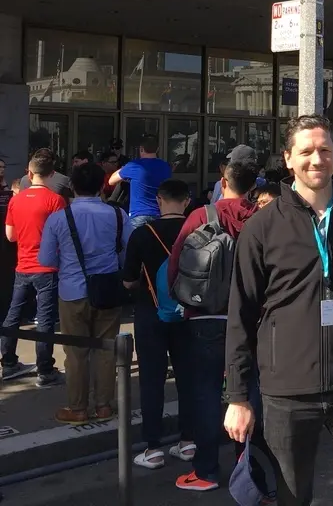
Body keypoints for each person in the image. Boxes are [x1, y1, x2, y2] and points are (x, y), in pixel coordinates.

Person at [223, 115, 333, 506]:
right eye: (306, 151)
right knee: (292, 499)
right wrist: (237, 395)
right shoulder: (262, 227)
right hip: (286, 392)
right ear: (288, 159)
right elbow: (241, 313)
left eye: (324, 150)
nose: (316, 159)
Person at [168, 153, 258, 492]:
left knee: (205, 394)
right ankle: (246, 466)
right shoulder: (262, 218)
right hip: (250, 319)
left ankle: (205, 471)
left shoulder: (201, 215)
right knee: (249, 394)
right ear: (253, 188)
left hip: (204, 316)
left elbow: (177, 264)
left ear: (224, 182)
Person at [38, 163, 128, 423]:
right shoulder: (118, 215)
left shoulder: (59, 217)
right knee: (106, 349)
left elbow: (46, 259)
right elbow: (127, 252)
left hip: (72, 291)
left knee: (75, 353)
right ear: (103, 186)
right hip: (109, 289)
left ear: (72, 187)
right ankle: (103, 405)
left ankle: (78, 407)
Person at [121, 179, 194, 468]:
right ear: (187, 201)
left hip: (151, 313)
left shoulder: (143, 233)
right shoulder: (197, 230)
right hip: (189, 311)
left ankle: (152, 447)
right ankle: (188, 441)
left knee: (152, 379)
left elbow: (128, 280)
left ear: (159, 201)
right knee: (188, 378)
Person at [1, 148, 66, 383]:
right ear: (52, 174)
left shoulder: (15, 200)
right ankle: (45, 369)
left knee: (13, 314)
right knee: (45, 319)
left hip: (22, 265)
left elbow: (10, 236)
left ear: (29, 172)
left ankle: (8, 363)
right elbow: (63, 234)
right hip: (47, 268)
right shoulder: (55, 200)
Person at [108, 135, 172, 230]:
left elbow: (111, 181)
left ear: (141, 149)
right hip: (159, 214)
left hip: (138, 215)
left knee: (134, 243)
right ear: (157, 149)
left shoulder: (134, 165)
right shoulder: (166, 166)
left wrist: (123, 169)